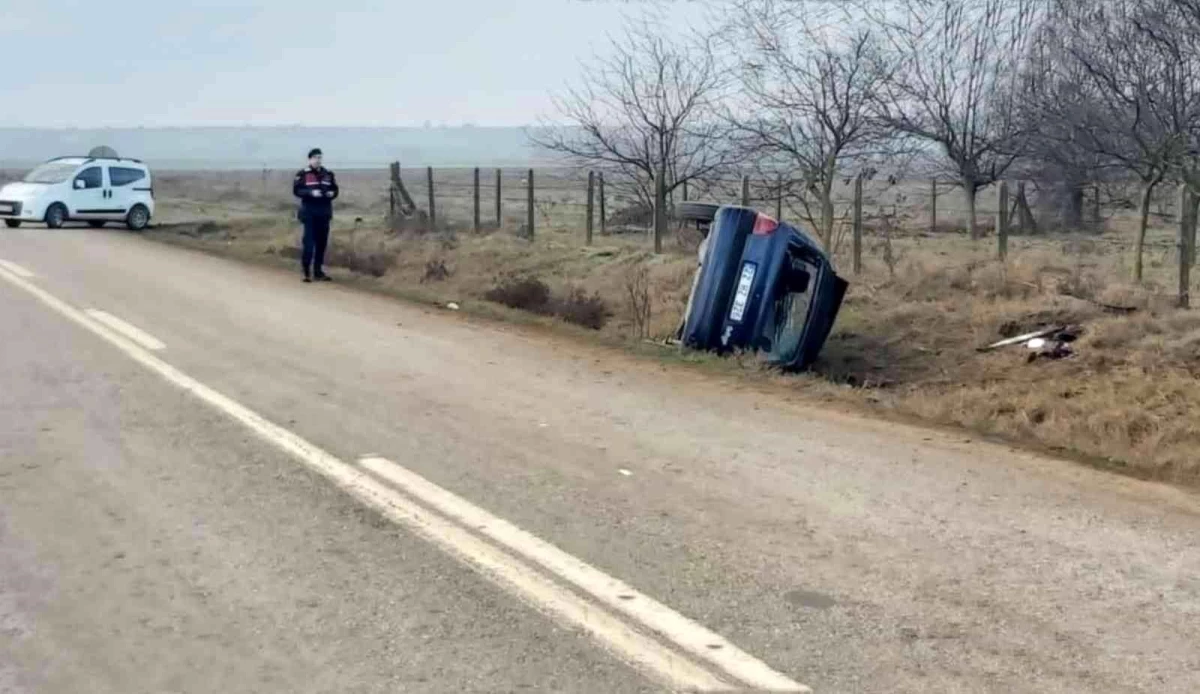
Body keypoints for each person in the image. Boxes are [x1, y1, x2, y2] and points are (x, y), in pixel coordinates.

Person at [293, 148, 339, 282]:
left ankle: (318, 271)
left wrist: (332, 194)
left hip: (324, 213)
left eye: (320, 157)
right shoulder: (303, 174)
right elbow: (297, 190)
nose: (318, 160)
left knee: (321, 244)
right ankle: (306, 272)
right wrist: (310, 193)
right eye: (315, 157)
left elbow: (335, 189)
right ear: (310, 159)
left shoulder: (328, 174)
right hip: (309, 213)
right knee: (309, 243)